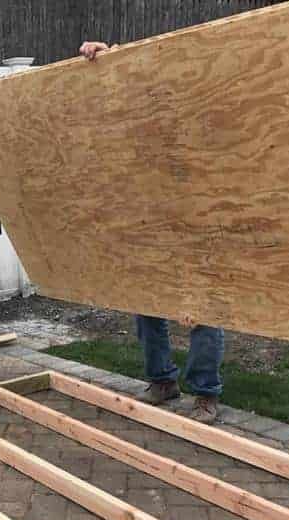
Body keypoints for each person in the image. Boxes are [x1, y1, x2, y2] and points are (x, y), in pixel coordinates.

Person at [80, 40, 225, 424]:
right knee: (146, 307)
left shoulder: (201, 118)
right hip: (153, 224)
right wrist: (107, 54)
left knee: (205, 315)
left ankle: (205, 393)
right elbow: (132, 76)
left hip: (200, 222)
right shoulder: (143, 121)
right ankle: (162, 381)